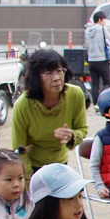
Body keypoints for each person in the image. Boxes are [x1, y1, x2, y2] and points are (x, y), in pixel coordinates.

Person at [10, 48, 87, 180]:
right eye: (48, 73)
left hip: (60, 164)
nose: (56, 78)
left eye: (59, 71)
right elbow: (19, 149)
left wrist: (72, 136)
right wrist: (29, 182)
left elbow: (82, 129)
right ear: (36, 78)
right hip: (32, 166)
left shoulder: (75, 94)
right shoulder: (23, 105)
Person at [84, 9, 110, 102]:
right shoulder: (102, 29)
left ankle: (96, 104)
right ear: (100, 20)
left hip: (91, 60)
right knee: (107, 82)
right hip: (102, 59)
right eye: (104, 19)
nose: (105, 22)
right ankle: (103, 100)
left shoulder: (87, 31)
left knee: (95, 84)